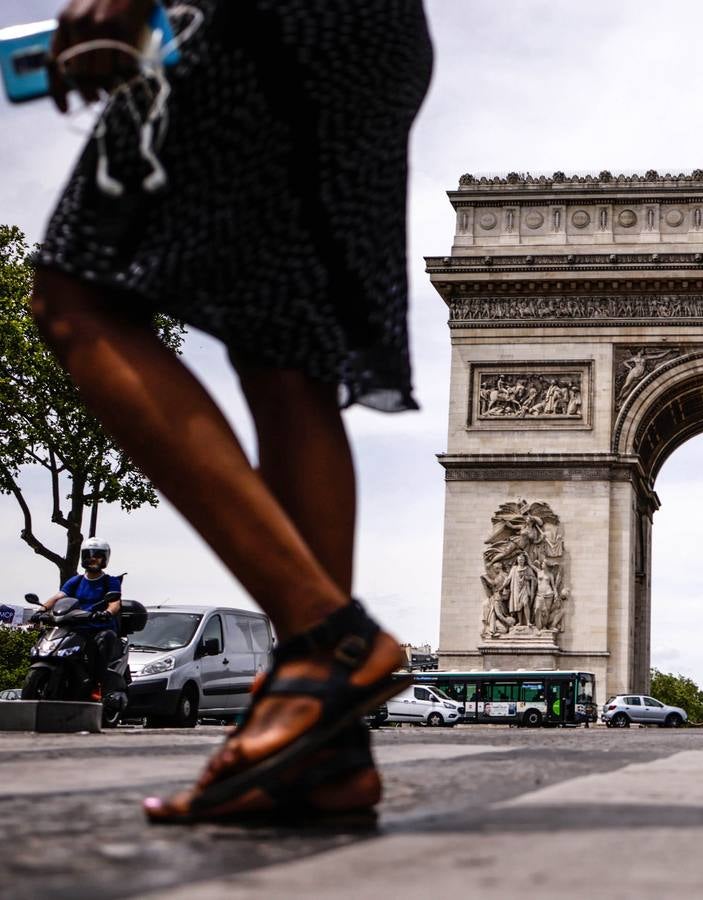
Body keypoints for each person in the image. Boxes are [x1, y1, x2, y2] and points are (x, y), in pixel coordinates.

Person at [28, 0, 433, 823]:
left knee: (78, 298)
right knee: (285, 355)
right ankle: (324, 755)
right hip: (371, 32)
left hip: (263, 23)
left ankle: (330, 636)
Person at [40, 537, 122, 693]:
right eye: (88, 555)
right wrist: (41, 610)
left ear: (105, 558)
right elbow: (58, 597)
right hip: (76, 627)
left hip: (99, 627)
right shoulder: (75, 581)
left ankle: (98, 686)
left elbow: (115, 603)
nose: (92, 558)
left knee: (105, 640)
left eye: (97, 555)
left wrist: (107, 612)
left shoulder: (109, 581)